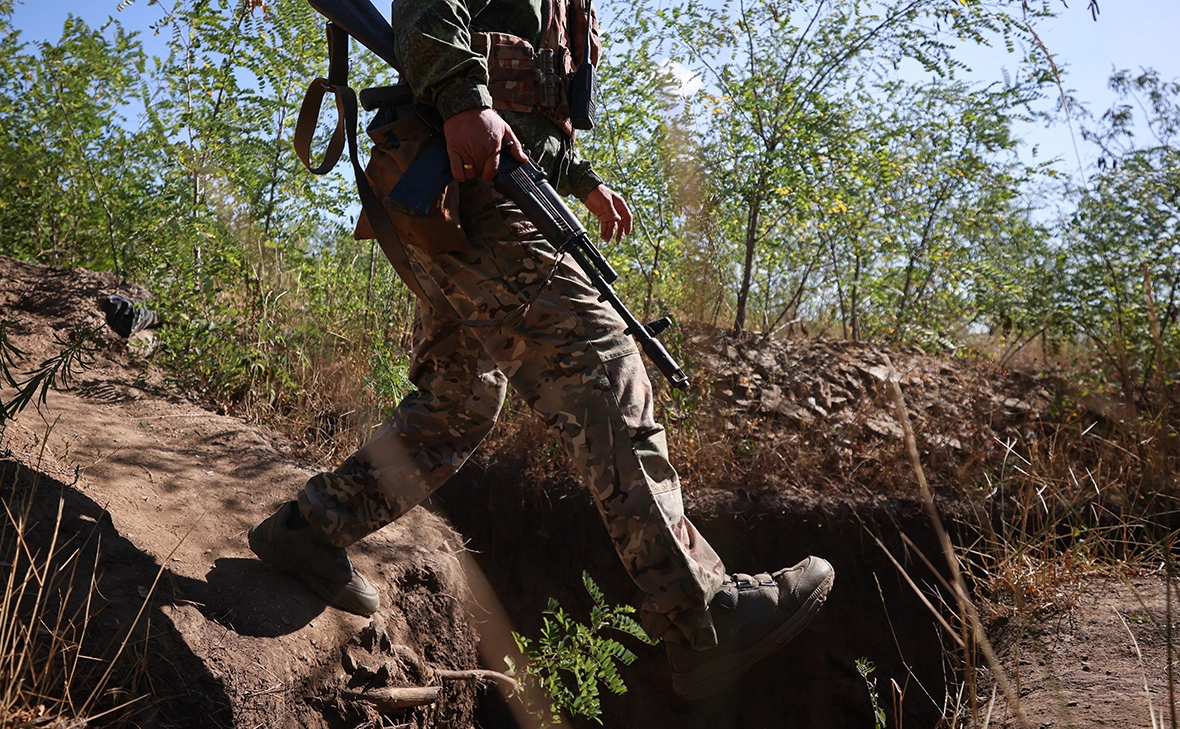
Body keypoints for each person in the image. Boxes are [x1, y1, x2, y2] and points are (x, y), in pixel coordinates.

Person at [248, 0, 833, 699]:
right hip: (459, 180)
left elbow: (529, 101)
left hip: (478, 190)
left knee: (458, 401)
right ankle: (703, 613)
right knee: (602, 364)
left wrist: (581, 181)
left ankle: (309, 529)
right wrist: (464, 100)